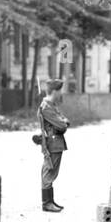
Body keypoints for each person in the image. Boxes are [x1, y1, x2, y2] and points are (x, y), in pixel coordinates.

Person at [38, 79, 69, 212]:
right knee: (48, 171)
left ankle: (50, 201)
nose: (61, 92)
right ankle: (46, 203)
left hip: (57, 141)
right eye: (60, 90)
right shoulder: (46, 107)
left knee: (52, 171)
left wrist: (63, 122)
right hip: (52, 142)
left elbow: (65, 120)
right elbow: (62, 124)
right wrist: (63, 122)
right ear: (55, 91)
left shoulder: (52, 105)